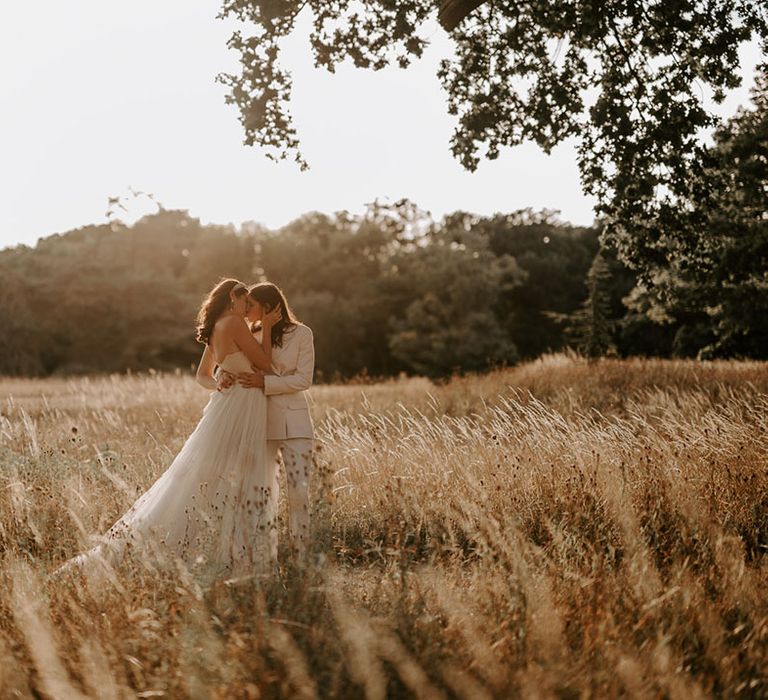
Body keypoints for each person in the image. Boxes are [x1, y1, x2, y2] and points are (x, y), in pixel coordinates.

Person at [57, 278, 282, 583]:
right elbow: (266, 364)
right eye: (245, 303)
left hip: (226, 405)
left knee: (209, 474)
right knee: (240, 474)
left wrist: (218, 381)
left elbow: (203, 376)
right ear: (233, 297)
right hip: (241, 406)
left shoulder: (217, 325)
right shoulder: (235, 323)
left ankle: (218, 545)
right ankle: (234, 554)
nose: (246, 310)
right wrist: (267, 326)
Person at [198, 282, 315, 561]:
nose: (246, 310)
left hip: (295, 423)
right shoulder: (250, 333)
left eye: (252, 305)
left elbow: (303, 380)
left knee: (299, 491)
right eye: (245, 304)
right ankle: (260, 555)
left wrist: (265, 382)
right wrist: (220, 378)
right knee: (258, 492)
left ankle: (303, 556)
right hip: (259, 424)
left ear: (270, 306)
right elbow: (227, 364)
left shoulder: (302, 334)